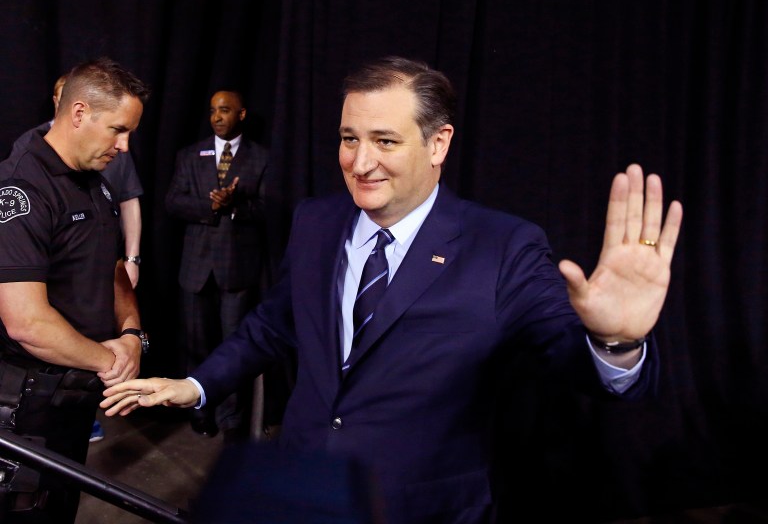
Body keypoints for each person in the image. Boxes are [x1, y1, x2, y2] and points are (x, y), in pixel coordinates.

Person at [103, 56, 683, 523]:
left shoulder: (503, 246)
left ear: (438, 145)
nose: (359, 162)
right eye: (349, 138)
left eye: (385, 141)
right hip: (305, 492)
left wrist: (614, 342)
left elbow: (573, 363)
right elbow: (274, 323)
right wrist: (197, 384)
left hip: (423, 505)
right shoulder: (316, 221)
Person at [0, 57, 151, 523]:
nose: (124, 147)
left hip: (74, 395)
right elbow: (25, 322)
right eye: (118, 130)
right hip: (25, 404)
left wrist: (131, 335)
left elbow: (112, 270)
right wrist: (110, 362)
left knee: (60, 509)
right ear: (80, 113)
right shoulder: (22, 187)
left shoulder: (96, 185)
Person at [165, 90, 269, 441]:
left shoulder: (260, 157)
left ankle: (232, 419)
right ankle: (200, 411)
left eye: (224, 110)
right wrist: (210, 207)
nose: (217, 117)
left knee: (234, 345)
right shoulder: (190, 155)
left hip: (236, 270)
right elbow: (173, 202)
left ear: (241, 114)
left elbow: (269, 210)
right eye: (212, 111)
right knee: (197, 343)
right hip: (195, 268)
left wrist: (235, 205)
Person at [11, 74, 144, 290]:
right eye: (117, 130)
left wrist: (132, 259)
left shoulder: (107, 164)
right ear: (76, 111)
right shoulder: (24, 161)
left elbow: (112, 257)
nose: (123, 146)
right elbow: (26, 317)